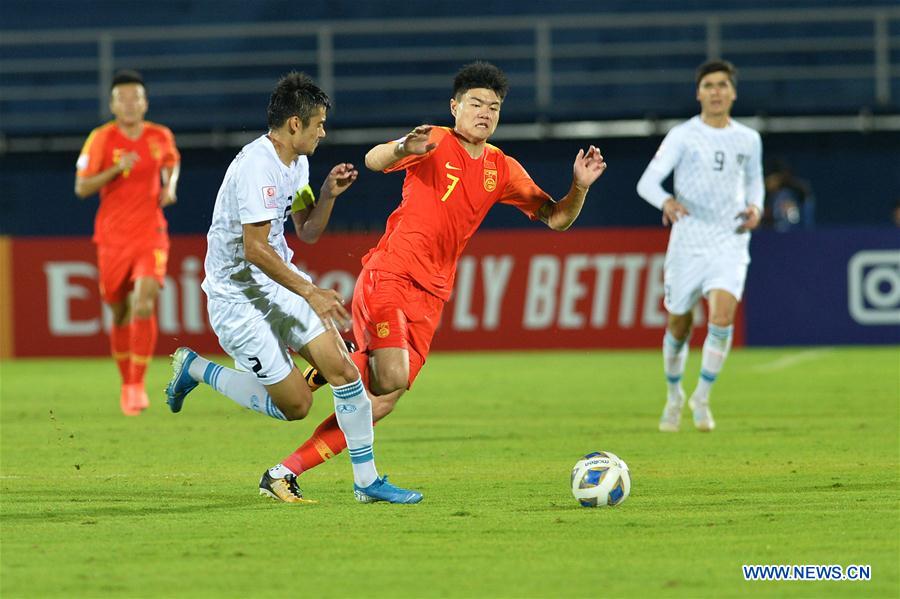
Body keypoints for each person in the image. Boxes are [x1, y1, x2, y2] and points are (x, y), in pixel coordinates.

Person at [265, 61, 607, 495]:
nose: (485, 112)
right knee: (390, 377)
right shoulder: (435, 140)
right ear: (455, 106)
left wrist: (580, 187)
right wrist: (404, 149)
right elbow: (373, 159)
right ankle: (320, 352)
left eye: (494, 106)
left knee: (382, 399)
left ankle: (283, 472)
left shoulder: (502, 169)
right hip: (391, 273)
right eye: (476, 103)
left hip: (431, 296)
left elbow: (557, 218)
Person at [164, 72, 422, 505]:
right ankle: (195, 368)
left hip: (278, 286)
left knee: (345, 372)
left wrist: (327, 195)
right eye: (319, 123)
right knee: (296, 405)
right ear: (294, 125)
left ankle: (367, 482)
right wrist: (310, 291)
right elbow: (254, 249)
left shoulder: (296, 162)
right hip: (239, 300)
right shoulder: (256, 166)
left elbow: (307, 230)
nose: (324, 131)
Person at [636, 59, 764, 433]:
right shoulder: (683, 135)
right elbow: (647, 183)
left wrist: (756, 207)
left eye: (723, 84)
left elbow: (754, 181)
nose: (716, 91)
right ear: (699, 93)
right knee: (679, 324)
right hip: (689, 240)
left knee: (722, 318)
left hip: (731, 238)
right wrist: (666, 202)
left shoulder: (748, 138)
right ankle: (674, 394)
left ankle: (702, 396)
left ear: (733, 93)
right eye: (709, 85)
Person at [74, 69, 180, 416]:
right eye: (123, 98)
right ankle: (126, 382)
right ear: (112, 104)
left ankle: (137, 383)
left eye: (136, 97)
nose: (131, 104)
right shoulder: (101, 139)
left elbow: (171, 163)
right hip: (112, 237)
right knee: (118, 310)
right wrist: (115, 171)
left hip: (150, 233)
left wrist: (170, 186)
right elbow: (82, 187)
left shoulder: (159, 135)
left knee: (144, 300)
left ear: (145, 102)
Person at [763, 158, 814, 231]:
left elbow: (807, 197)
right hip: (772, 230)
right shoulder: (768, 190)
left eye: (785, 174)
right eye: (779, 175)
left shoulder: (796, 189)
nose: (783, 177)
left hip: (796, 229)